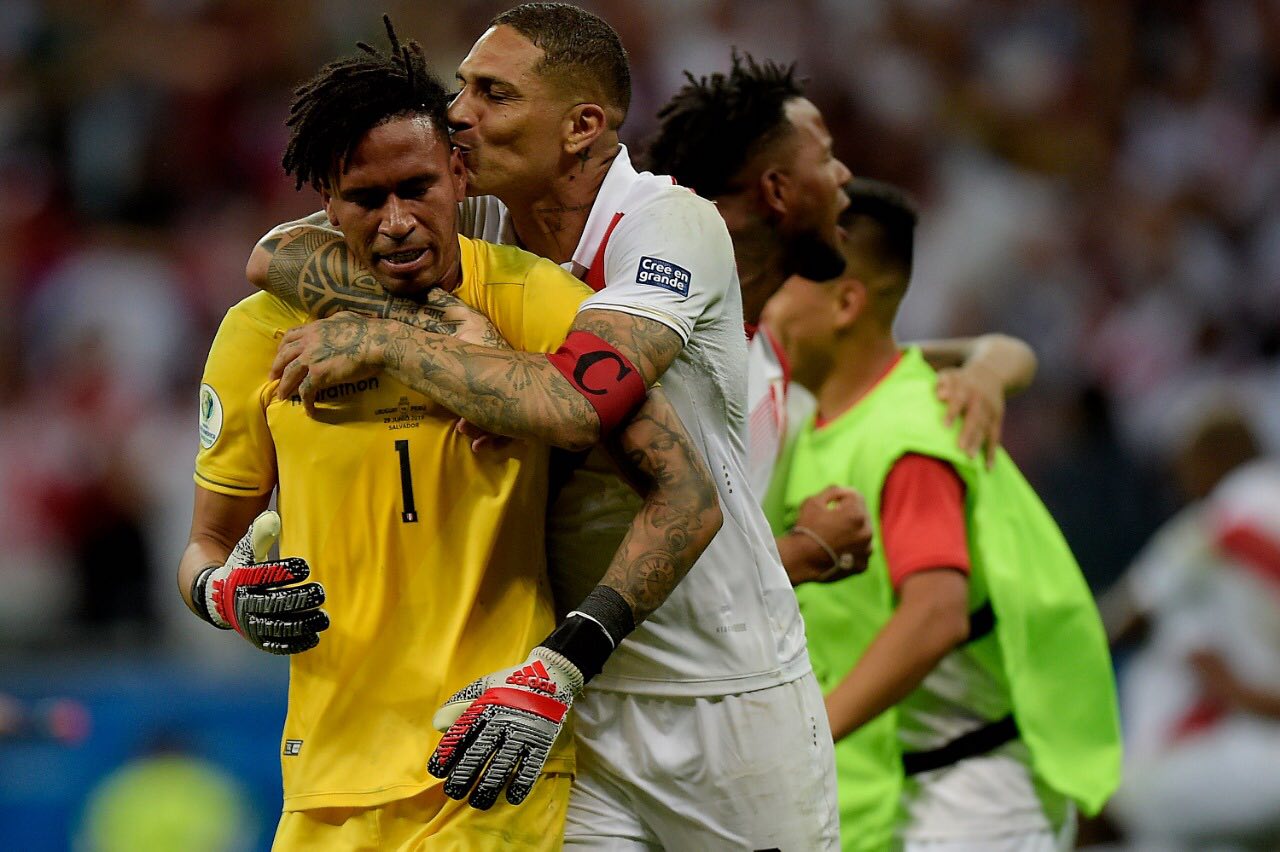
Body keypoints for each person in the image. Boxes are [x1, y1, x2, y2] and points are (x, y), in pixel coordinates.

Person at [256, 5, 843, 847]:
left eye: (492, 93)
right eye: (461, 87)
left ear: (582, 127)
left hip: (724, 692)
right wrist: (450, 335)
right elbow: (275, 252)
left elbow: (571, 407)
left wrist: (388, 338)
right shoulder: (482, 220)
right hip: (561, 696)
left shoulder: (665, 224)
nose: (458, 112)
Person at [179, 27, 719, 849]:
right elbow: (203, 546)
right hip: (325, 773)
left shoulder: (532, 300)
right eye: (366, 199)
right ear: (325, 201)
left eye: (418, 187)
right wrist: (226, 595)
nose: (397, 223)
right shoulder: (258, 333)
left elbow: (686, 494)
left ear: (459, 175)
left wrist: (563, 664)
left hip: (488, 755)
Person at [761, 178, 1122, 851]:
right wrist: (993, 364)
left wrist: (804, 735)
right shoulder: (838, 412)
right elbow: (975, 350)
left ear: (846, 303)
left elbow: (935, 614)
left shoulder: (912, 432)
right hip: (907, 784)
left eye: (789, 279)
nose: (769, 298)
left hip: (976, 797)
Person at [642, 52, 1035, 575]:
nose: (844, 175)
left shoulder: (772, 355)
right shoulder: (660, 351)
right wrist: (805, 551)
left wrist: (985, 371)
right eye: (826, 158)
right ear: (777, 190)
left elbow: (980, 353)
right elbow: (641, 577)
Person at [1103, 406, 1280, 848]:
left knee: (1123, 796)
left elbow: (1126, 612)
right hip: (1248, 743)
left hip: (1259, 749)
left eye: (1185, 466)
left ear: (1214, 458)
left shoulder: (1221, 516)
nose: (1182, 481)